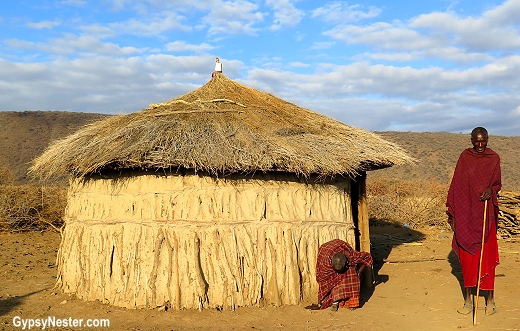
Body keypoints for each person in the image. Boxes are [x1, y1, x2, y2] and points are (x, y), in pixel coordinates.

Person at [446, 127, 501, 316]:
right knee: (467, 260)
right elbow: (457, 185)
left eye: (483, 141)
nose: (479, 145)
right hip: (466, 215)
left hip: (486, 216)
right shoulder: (465, 157)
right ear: (470, 139)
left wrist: (491, 191)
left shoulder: (493, 158)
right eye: (476, 141)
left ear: (487, 139)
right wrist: (454, 215)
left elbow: (497, 184)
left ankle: (491, 300)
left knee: (487, 258)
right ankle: (468, 301)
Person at [314, 239, 373, 311]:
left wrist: (359, 272)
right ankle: (335, 301)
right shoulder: (325, 265)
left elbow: (367, 257)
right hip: (327, 252)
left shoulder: (350, 255)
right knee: (333, 280)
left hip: (341, 256)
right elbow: (321, 279)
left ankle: (352, 301)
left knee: (352, 275)